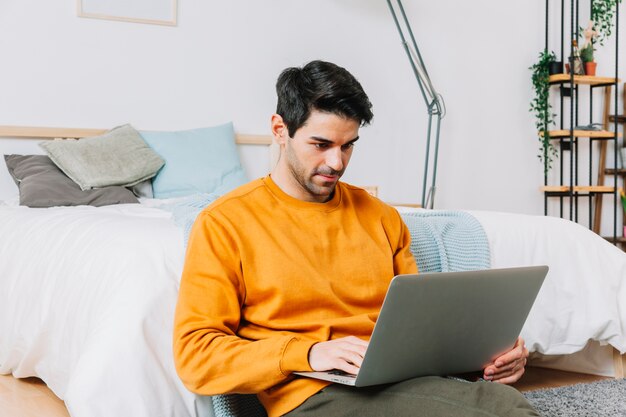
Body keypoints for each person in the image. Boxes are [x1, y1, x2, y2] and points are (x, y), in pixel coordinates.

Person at [173, 60, 538, 417]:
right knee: (498, 410)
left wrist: (489, 357)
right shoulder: (225, 223)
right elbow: (196, 356)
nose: (336, 162)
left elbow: (421, 331)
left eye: (348, 145)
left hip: (397, 382)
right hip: (313, 395)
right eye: (321, 144)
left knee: (500, 403)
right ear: (280, 130)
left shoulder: (381, 217)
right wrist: (310, 352)